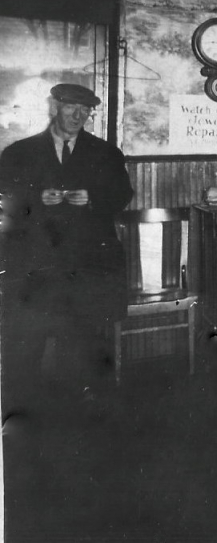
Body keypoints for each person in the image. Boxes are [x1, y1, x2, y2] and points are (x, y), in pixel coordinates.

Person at [0, 83, 133, 408]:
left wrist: (93, 198)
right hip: (35, 266)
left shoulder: (105, 153)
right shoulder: (20, 152)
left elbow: (122, 194)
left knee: (82, 338)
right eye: (72, 107)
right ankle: (22, 411)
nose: (78, 115)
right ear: (55, 107)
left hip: (86, 264)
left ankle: (79, 408)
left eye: (86, 110)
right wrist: (34, 200)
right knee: (27, 338)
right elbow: (5, 199)